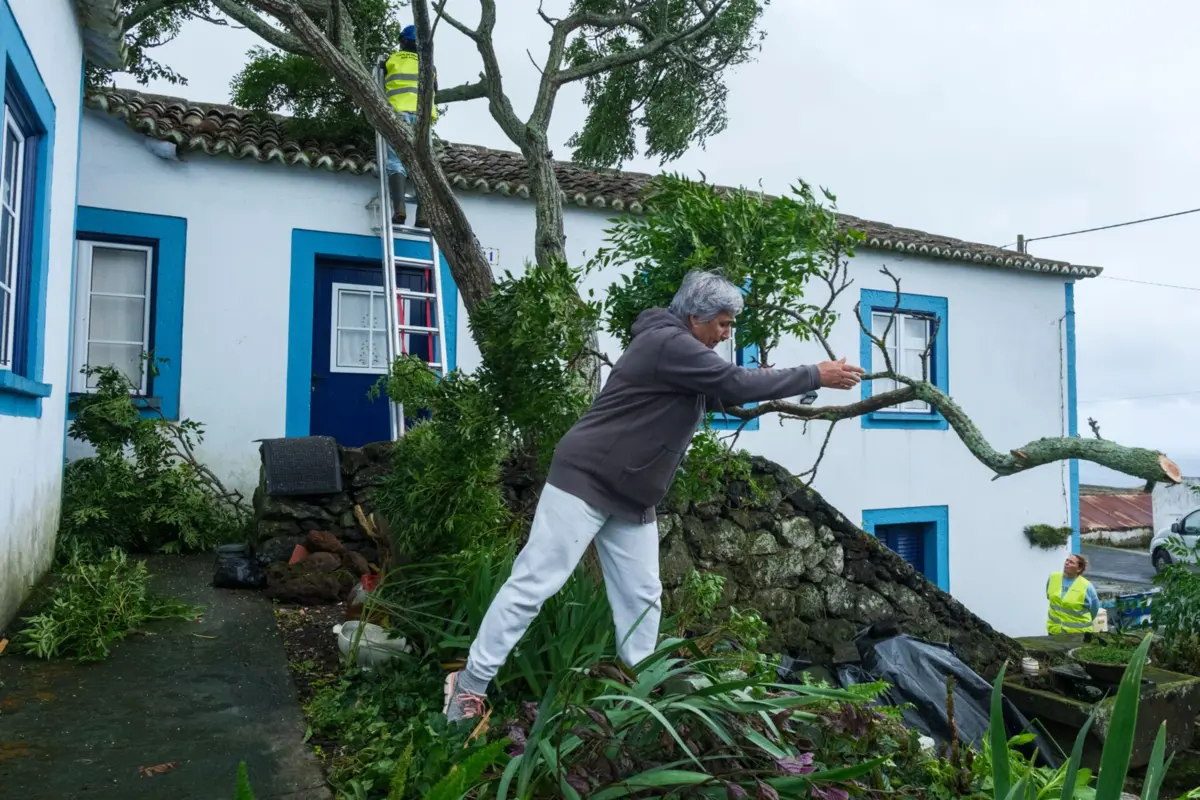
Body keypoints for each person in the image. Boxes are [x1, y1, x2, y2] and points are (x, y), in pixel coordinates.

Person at [442, 270, 867, 722]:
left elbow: (727, 391)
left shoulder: (683, 351)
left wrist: (797, 386)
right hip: (586, 479)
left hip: (631, 495)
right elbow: (734, 384)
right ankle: (468, 685)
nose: (727, 334)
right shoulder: (668, 343)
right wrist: (813, 374)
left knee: (642, 598)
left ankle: (642, 698)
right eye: (722, 324)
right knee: (534, 583)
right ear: (696, 317)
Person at [383, 25, 437, 228]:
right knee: (425, 164)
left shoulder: (392, 60)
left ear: (403, 42)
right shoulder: (429, 66)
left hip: (399, 114)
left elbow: (379, 83)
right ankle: (423, 215)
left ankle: (400, 209)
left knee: (396, 161)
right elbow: (435, 89)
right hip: (423, 120)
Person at [1046, 553, 1100, 635]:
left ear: (1079, 569)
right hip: (1054, 631)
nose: (1066, 563)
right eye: (1067, 560)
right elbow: (1049, 596)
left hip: (1078, 634)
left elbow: (1094, 610)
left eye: (1071, 562)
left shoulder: (1087, 587)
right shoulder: (1053, 578)